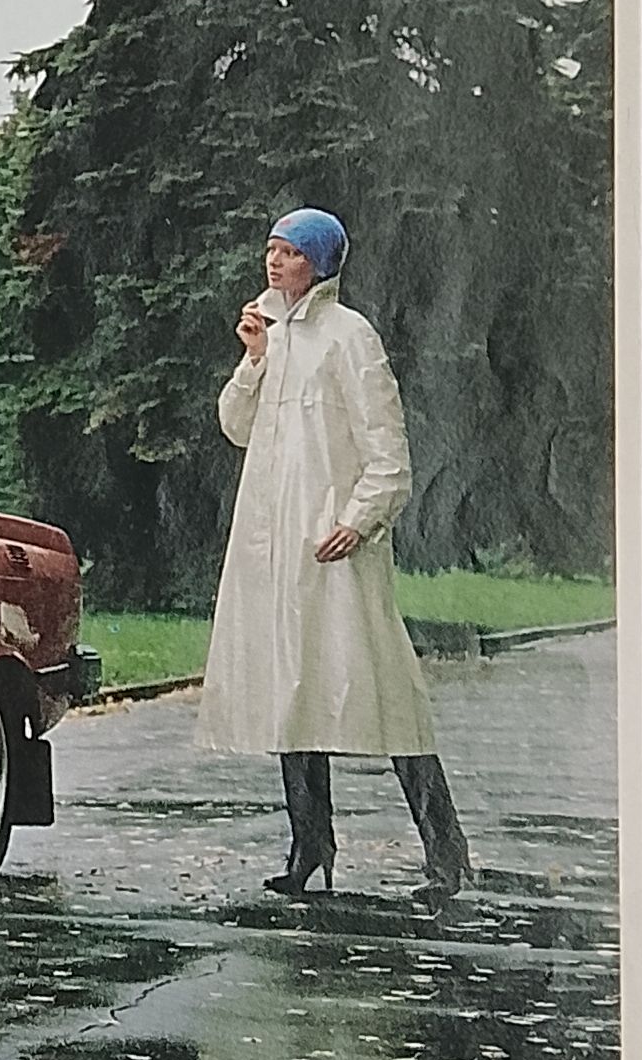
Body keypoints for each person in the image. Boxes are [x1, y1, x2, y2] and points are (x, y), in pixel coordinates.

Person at [198, 207, 472, 904]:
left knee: (384, 689)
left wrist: (356, 520)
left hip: (335, 547)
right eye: (270, 248)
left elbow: (388, 453)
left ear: (318, 263)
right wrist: (254, 360)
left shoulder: (350, 336)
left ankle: (446, 852)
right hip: (274, 547)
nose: (274, 261)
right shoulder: (270, 334)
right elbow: (235, 427)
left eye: (290, 252)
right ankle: (310, 845)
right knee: (291, 687)